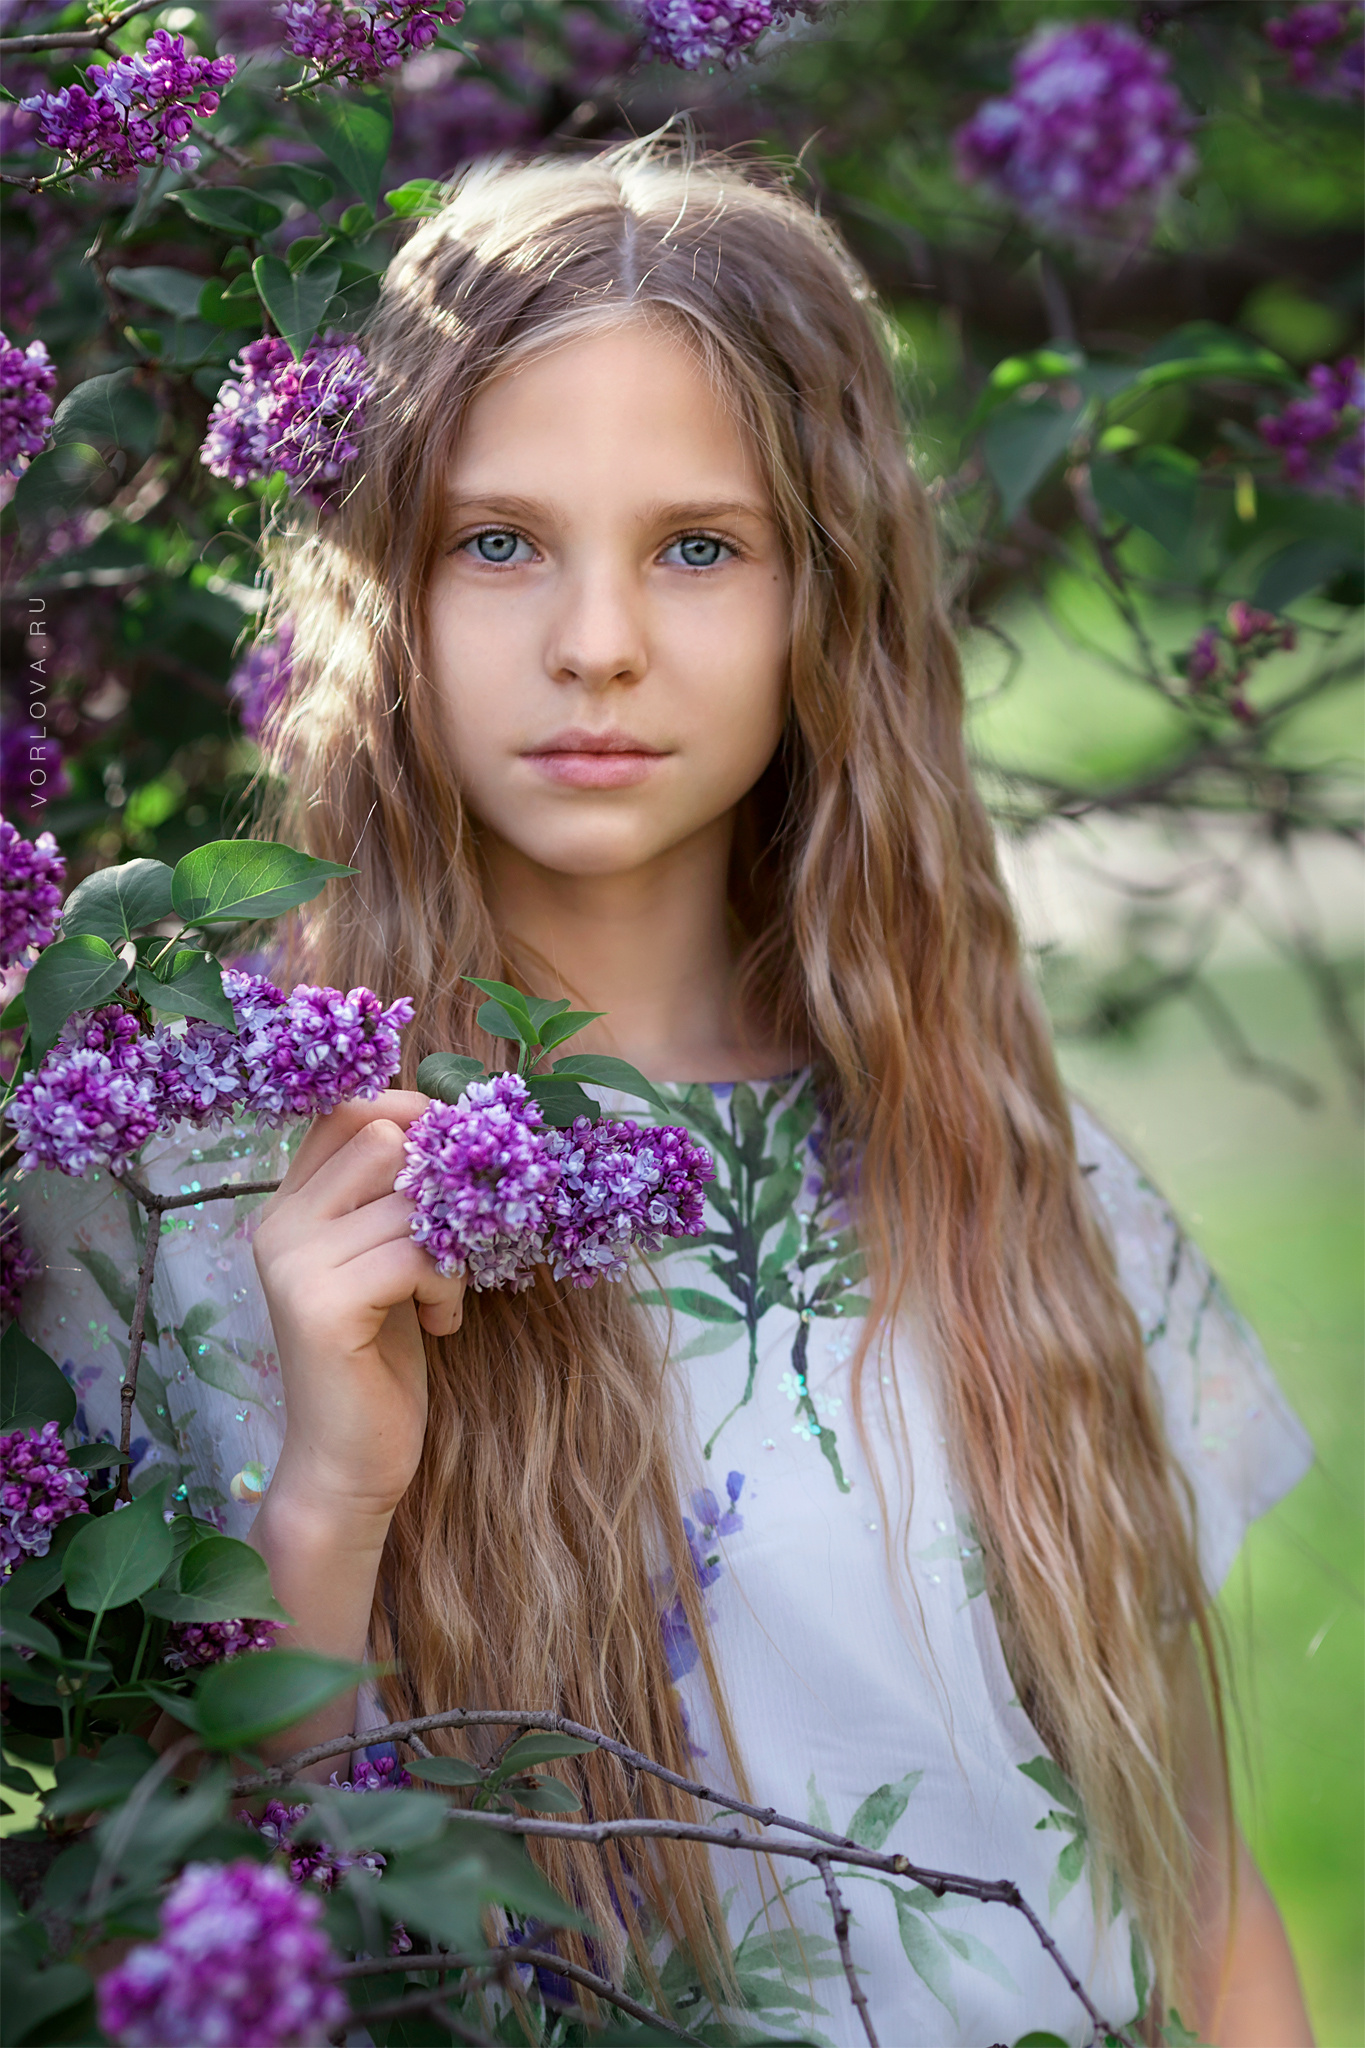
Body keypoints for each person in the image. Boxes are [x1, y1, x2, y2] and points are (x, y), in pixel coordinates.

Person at [13, 138, 1317, 2047]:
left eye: (698, 546)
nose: (597, 644)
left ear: (822, 598)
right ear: (382, 583)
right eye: (498, 541)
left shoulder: (1002, 1170)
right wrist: (328, 1506)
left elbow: (1189, 1890)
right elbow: (172, 1929)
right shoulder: (172, 1192)